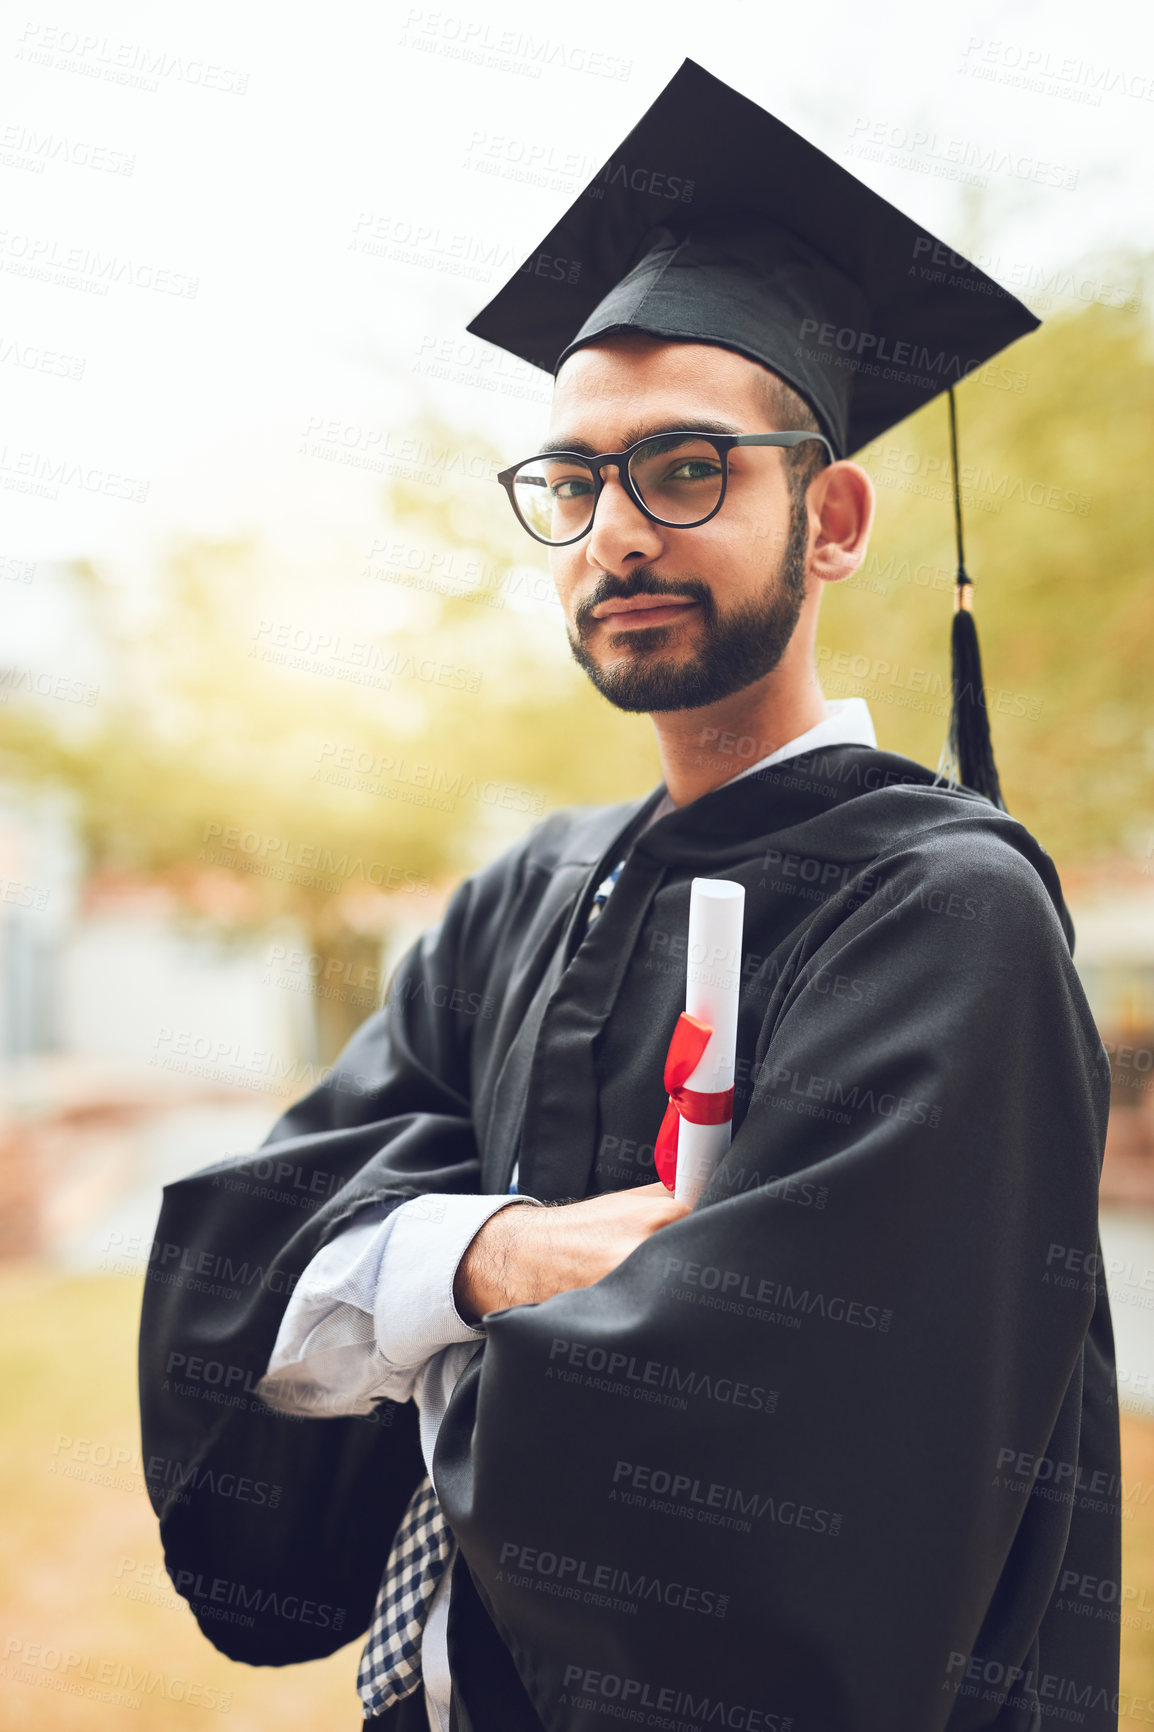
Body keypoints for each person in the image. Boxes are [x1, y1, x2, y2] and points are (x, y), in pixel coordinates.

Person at [139, 59, 1121, 1732]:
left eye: (685, 471)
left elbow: (794, 1472)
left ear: (833, 519)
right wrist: (486, 1260)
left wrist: (396, 1304)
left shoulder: (940, 918)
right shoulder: (525, 896)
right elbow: (237, 1274)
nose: (614, 534)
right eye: (575, 483)